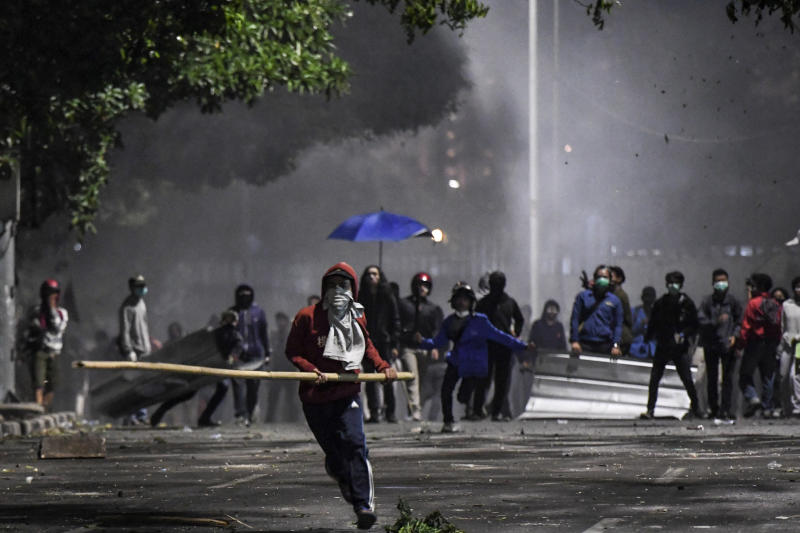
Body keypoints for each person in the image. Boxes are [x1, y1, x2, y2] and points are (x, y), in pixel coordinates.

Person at [285, 262, 397, 530]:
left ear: (352, 290)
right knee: (336, 456)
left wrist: (382, 366)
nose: (338, 290)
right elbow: (292, 351)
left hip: (347, 393)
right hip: (315, 397)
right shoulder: (306, 317)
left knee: (356, 444)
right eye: (333, 285)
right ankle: (341, 474)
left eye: (343, 285)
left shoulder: (356, 316)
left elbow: (367, 346)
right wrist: (311, 370)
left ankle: (363, 506)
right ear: (324, 289)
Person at [415, 282, 534, 433]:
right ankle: (448, 421)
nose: (461, 302)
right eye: (458, 298)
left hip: (473, 366)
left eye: (465, 299)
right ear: (453, 301)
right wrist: (421, 342)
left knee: (463, 397)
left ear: (471, 302)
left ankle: (469, 410)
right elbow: (438, 342)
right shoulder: (449, 322)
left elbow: (502, 337)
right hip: (456, 361)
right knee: (446, 390)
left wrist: (522, 346)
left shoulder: (480, 321)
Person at [641, 271, 702, 420]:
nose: (672, 285)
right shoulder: (661, 303)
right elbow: (654, 323)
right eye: (669, 282)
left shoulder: (686, 303)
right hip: (663, 345)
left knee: (686, 379)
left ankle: (697, 408)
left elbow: (694, 325)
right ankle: (650, 410)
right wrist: (647, 339)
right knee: (654, 379)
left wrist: (683, 335)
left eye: (675, 282)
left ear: (680, 285)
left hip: (679, 348)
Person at [473, 271, 525, 421]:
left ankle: (495, 411)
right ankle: (479, 410)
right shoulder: (484, 303)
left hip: (503, 345)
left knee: (500, 381)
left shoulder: (509, 302)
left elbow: (519, 319)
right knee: (484, 379)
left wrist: (516, 332)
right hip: (488, 345)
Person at [697, 269, 743, 420]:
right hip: (711, 344)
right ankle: (713, 408)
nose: (721, 284)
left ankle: (726, 409)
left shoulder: (733, 301)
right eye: (718, 281)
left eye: (723, 281)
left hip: (728, 345)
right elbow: (701, 320)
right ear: (713, 283)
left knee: (728, 379)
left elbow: (739, 321)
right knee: (712, 378)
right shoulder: (707, 302)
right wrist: (715, 322)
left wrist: (735, 336)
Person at [397, 272, 444, 421]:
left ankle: (413, 409)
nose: (422, 288)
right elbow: (397, 324)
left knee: (421, 379)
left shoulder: (433, 308)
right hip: (408, 347)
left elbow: (436, 329)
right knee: (412, 377)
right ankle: (415, 411)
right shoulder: (404, 304)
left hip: (425, 348)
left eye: (425, 286)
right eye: (419, 285)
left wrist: (435, 347)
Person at [357, 265, 400, 423]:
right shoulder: (362, 296)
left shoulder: (387, 295)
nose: (372, 277)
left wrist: (395, 343)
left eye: (375, 274)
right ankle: (375, 411)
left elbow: (395, 319)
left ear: (380, 276)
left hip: (384, 341)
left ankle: (390, 411)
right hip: (367, 341)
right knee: (369, 376)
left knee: (387, 375)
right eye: (369, 274)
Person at [738, 273, 782, 418]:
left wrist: (741, 344)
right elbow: (778, 325)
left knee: (744, 375)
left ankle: (753, 398)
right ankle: (767, 408)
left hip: (755, 343)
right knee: (767, 376)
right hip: (771, 343)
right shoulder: (775, 303)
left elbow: (746, 326)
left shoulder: (753, 303)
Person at [119, 275, 157, 424]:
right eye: (139, 286)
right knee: (133, 385)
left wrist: (148, 344)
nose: (142, 289)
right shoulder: (126, 307)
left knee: (144, 384)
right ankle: (130, 415)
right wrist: (128, 350)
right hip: (134, 351)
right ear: (132, 288)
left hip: (145, 350)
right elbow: (125, 330)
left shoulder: (142, 304)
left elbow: (145, 326)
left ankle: (141, 414)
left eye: (143, 286)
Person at [230, 284, 270, 426]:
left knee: (253, 386)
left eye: (247, 294)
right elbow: (227, 334)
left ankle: (251, 411)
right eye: (242, 295)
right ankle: (240, 414)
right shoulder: (232, 312)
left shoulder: (258, 312)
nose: (244, 297)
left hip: (256, 355)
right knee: (238, 386)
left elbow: (263, 333)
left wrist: (267, 353)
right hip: (238, 356)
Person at [196, 310, 244, 427]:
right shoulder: (217, 333)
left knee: (222, 389)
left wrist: (231, 358)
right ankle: (205, 418)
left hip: (218, 368)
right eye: (227, 319)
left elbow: (235, 352)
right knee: (191, 392)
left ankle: (205, 418)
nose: (229, 322)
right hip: (208, 367)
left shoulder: (233, 335)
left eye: (230, 319)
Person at [25, 279, 69, 408]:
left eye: (53, 293)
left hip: (54, 352)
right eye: (48, 293)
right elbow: (30, 329)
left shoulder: (62, 313)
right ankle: (37, 409)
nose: (50, 296)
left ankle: (43, 408)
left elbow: (57, 328)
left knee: (52, 386)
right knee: (39, 383)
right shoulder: (36, 311)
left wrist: (51, 309)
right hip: (40, 351)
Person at [569, 265, 623, 358]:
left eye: (605, 277)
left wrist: (615, 345)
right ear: (594, 279)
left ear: (610, 280)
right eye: (599, 277)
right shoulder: (583, 297)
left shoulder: (615, 301)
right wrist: (575, 341)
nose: (602, 279)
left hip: (605, 345)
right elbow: (575, 319)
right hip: (584, 344)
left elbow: (618, 325)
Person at [778, 277, 800, 418]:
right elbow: (782, 324)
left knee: (795, 375)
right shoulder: (787, 305)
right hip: (787, 344)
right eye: (797, 287)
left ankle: (797, 407)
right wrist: (785, 338)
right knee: (783, 375)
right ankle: (785, 407)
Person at [609, 266, 634, 355]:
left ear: (619, 279)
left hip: (621, 337)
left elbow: (628, 318)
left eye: (611, 276)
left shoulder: (621, 295)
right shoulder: (612, 294)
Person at [630, 287, 657, 359]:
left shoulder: (657, 314)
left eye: (650, 296)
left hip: (651, 351)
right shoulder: (635, 311)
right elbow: (630, 330)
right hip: (636, 350)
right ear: (642, 297)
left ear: (654, 298)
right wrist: (641, 323)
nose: (648, 299)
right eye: (646, 295)